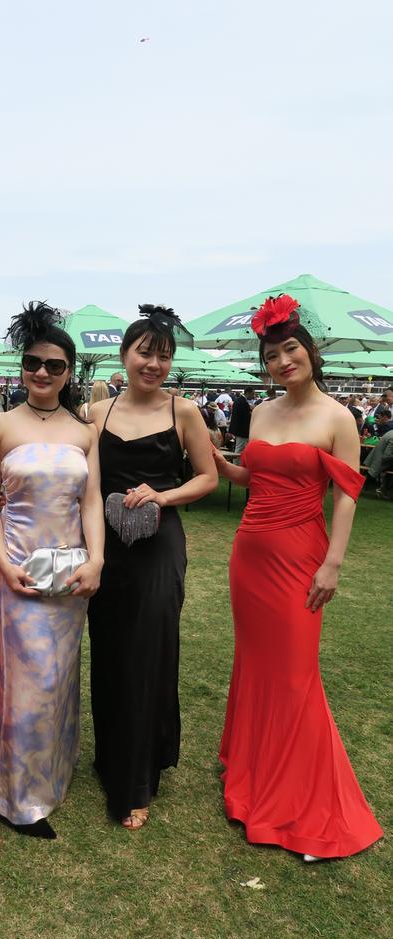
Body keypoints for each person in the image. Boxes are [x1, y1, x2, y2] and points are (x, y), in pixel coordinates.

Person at [212, 293, 383, 862]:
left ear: (310, 351)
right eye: (272, 355)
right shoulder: (261, 413)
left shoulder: (339, 417)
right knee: (258, 667)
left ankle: (306, 806)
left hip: (301, 558)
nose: (282, 362)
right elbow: (251, 475)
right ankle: (255, 772)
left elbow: (347, 497)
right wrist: (211, 456)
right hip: (250, 556)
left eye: (291, 349)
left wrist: (333, 562)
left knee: (294, 677)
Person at [87, 304, 218, 829]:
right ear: (124, 355)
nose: (154, 364)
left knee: (149, 653)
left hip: (160, 546)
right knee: (110, 650)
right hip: (106, 548)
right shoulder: (97, 413)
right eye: (145, 352)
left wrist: (162, 496)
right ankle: (110, 758)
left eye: (164, 356)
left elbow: (207, 477)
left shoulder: (183, 412)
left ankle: (136, 780)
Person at [0, 302, 104, 840]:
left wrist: (97, 559)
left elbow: (92, 501)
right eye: (33, 363)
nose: (43, 374)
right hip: (19, 570)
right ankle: (19, 799)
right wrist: (4, 566)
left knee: (59, 678)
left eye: (55, 366)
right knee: (28, 681)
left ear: (69, 372)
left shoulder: (83, 431)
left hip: (71, 572)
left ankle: (54, 771)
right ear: (21, 367)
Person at [227, 387, 256, 456]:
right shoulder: (242, 402)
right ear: (247, 393)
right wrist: (251, 411)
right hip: (242, 430)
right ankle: (236, 464)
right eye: (252, 394)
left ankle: (237, 463)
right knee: (240, 448)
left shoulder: (239, 401)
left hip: (240, 429)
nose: (253, 396)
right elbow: (245, 416)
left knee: (240, 447)